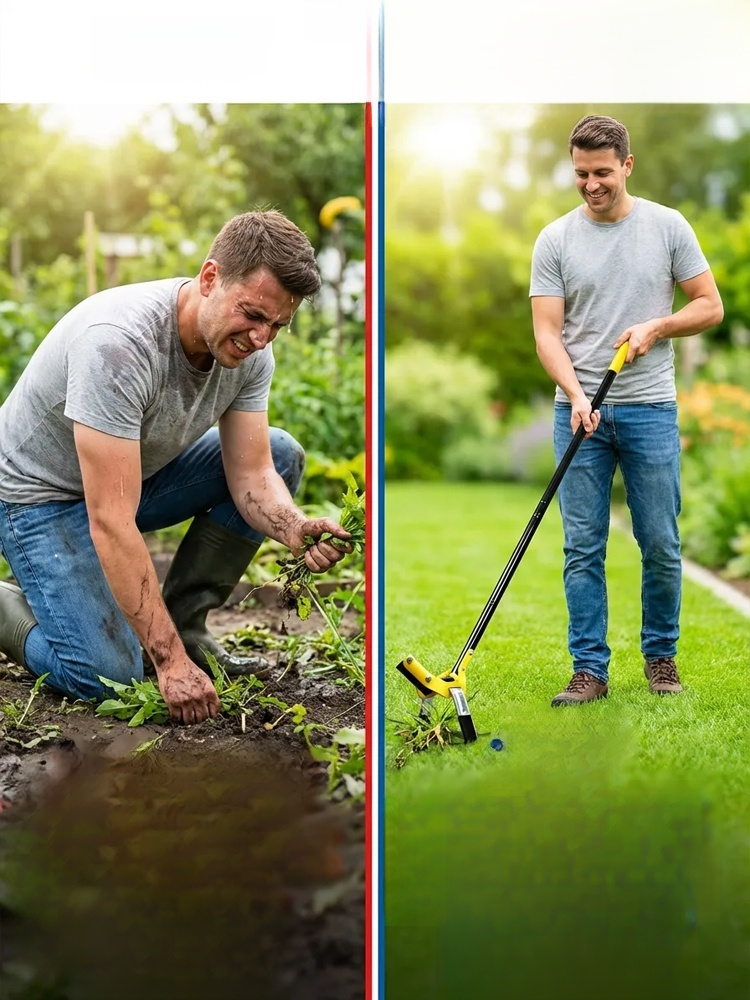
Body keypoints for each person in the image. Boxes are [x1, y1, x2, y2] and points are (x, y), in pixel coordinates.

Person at [0, 210, 352, 726]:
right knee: (109, 676)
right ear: (210, 279)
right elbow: (111, 521)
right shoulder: (117, 343)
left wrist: (294, 526)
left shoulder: (251, 353)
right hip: (36, 498)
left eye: (277, 325)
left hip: (128, 478)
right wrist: (168, 665)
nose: (261, 338)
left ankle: (187, 626)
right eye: (253, 315)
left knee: (280, 452)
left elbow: (253, 473)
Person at [529, 114, 723, 707]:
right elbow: (546, 333)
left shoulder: (667, 227)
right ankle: (589, 670)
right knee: (582, 547)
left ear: (627, 166)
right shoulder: (555, 239)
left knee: (660, 541)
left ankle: (660, 657)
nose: (592, 184)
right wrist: (578, 394)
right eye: (582, 173)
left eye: (603, 172)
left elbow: (709, 305)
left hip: (649, 409)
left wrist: (659, 325)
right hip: (578, 412)